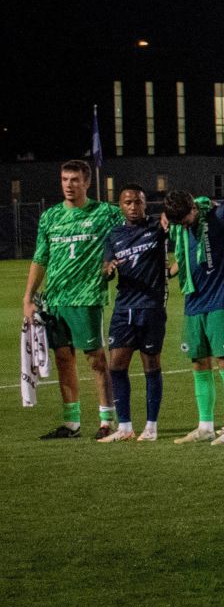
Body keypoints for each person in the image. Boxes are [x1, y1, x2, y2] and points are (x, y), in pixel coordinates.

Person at [22, 160, 121, 441]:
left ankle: (106, 420)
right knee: (64, 360)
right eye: (65, 179)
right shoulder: (50, 217)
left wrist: (111, 263)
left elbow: (130, 230)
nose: (69, 185)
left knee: (96, 360)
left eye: (75, 180)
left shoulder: (105, 213)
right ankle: (72, 423)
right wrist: (29, 297)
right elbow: (40, 258)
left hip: (86, 297)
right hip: (54, 300)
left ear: (87, 183)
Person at [161, 187, 224, 444]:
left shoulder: (221, 215)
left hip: (222, 299)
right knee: (199, 363)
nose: (183, 225)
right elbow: (187, 252)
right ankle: (205, 426)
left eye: (186, 220)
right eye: (177, 222)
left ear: (193, 208)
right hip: (194, 300)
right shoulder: (179, 224)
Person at [101, 184, 167, 441]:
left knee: (151, 365)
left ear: (145, 204)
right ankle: (125, 427)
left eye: (137, 202)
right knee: (116, 366)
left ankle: (151, 427)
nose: (133, 207)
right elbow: (106, 267)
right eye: (127, 202)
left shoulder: (156, 228)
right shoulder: (114, 234)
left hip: (151, 308)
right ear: (120, 206)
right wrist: (108, 270)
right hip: (124, 308)